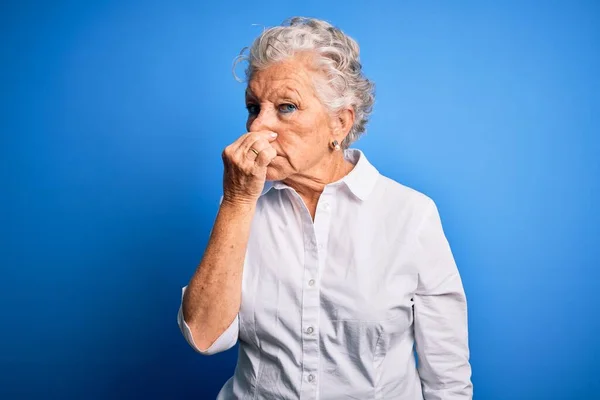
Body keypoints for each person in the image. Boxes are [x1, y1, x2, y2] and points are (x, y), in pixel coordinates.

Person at [178, 16, 473, 400]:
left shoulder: (410, 214)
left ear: (339, 122)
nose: (257, 127)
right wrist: (236, 201)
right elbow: (204, 336)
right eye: (254, 107)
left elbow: (447, 380)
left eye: (286, 107)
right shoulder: (241, 205)